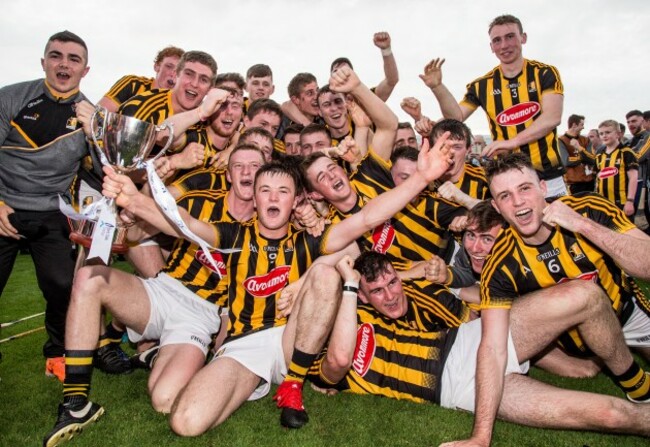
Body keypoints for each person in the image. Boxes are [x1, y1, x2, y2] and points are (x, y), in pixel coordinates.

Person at [97, 119, 453, 439]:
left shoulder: (309, 240)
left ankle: (293, 385)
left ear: (296, 199)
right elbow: (183, 224)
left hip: (293, 338)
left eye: (283, 192)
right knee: (185, 422)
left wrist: (421, 178)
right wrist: (133, 199)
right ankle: (250, 379)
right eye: (265, 190)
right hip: (246, 342)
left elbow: (365, 218)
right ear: (253, 195)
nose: (273, 198)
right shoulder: (234, 236)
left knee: (327, 275)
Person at [42, 144, 267, 447]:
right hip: (165, 289)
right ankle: (76, 402)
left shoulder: (267, 225)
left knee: (165, 399)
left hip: (202, 315)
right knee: (89, 278)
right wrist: (127, 220)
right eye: (239, 166)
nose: (247, 172)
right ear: (228, 175)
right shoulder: (199, 200)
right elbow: (137, 237)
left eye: (255, 166)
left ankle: (157, 352)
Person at [309, 252, 650, 446]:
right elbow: (338, 362)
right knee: (611, 415)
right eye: (377, 291)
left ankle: (635, 380)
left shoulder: (403, 304)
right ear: (360, 296)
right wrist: (349, 287)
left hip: (471, 341)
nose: (391, 295)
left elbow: (468, 302)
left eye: (393, 283)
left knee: (583, 296)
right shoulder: (323, 356)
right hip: (462, 391)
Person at [459, 151, 650, 446]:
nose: (518, 202)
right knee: (581, 299)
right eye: (505, 196)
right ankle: (636, 384)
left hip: (626, 313)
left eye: (525, 188)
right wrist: (481, 435)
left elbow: (646, 265)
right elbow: (493, 346)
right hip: (575, 342)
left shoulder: (587, 208)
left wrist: (583, 226)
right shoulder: (500, 261)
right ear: (496, 206)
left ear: (543, 188)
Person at [0, 31, 93, 382]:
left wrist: (95, 130)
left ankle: (56, 353)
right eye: (56, 56)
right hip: (4, 204)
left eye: (73, 59)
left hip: (52, 211)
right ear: (44, 62)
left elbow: (103, 170)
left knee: (62, 284)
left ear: (85, 70)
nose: (64, 64)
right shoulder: (11, 98)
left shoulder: (90, 114)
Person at [421, 14, 566, 198]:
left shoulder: (545, 73)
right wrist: (438, 87)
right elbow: (455, 118)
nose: (504, 45)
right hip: (507, 176)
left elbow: (552, 117)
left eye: (510, 36)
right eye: (497, 40)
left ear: (523, 38)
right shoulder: (482, 85)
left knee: (560, 225)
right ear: (491, 47)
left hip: (549, 176)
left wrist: (511, 142)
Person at [97, 46, 184, 112]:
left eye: (179, 70)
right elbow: (99, 114)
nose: (174, 74)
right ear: (157, 67)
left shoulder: (182, 104)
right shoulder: (132, 84)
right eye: (169, 66)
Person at [330, 31, 399, 102]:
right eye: (336, 71)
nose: (341, 74)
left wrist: (386, 50)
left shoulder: (366, 101)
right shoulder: (323, 103)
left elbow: (391, 81)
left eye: (346, 70)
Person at [594, 119, 638, 216]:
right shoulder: (599, 155)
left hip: (621, 203)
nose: (604, 136)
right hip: (603, 203)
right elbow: (598, 178)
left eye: (608, 132)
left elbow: (633, 178)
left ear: (618, 134)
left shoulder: (626, 153)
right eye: (601, 133)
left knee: (623, 230)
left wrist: (630, 201)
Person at [559, 114, 595, 194]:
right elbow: (566, 161)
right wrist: (584, 158)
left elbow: (593, 160)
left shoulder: (585, 139)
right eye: (582, 125)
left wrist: (579, 148)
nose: (583, 127)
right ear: (574, 125)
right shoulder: (561, 140)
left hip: (589, 180)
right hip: (574, 183)